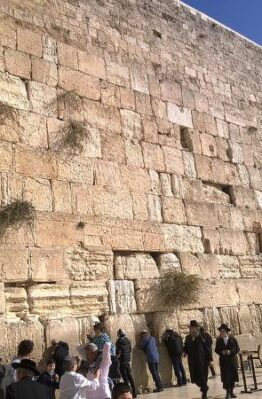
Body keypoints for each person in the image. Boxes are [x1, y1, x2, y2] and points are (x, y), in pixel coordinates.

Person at [184, 320, 212, 399]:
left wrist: (210, 360)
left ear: (197, 329)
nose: (193, 330)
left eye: (194, 328)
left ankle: (204, 393)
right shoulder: (188, 338)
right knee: (195, 379)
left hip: (202, 362)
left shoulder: (202, 337)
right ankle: (204, 388)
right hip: (192, 362)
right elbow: (185, 347)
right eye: (191, 328)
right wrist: (185, 352)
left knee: (203, 377)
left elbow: (207, 349)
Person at [215, 324, 240, 399]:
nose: (222, 333)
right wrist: (221, 352)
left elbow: (237, 349)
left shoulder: (232, 339)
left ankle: (231, 392)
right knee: (226, 377)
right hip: (224, 361)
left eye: (223, 331)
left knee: (232, 376)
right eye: (221, 331)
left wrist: (230, 352)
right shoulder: (219, 340)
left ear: (226, 332)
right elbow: (216, 350)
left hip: (232, 360)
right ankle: (227, 393)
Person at [115, 329, 137, 397]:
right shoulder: (127, 340)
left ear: (119, 334)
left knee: (126, 380)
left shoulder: (119, 341)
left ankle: (128, 394)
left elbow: (118, 352)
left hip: (122, 362)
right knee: (130, 378)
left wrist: (116, 357)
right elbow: (130, 350)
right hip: (127, 361)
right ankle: (134, 393)